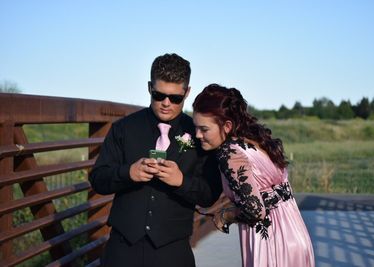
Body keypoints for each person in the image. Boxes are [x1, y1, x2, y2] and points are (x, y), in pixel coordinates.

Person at [89, 53, 222, 267]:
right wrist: (128, 173)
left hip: (174, 251)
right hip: (122, 248)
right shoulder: (124, 128)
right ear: (150, 87)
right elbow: (97, 179)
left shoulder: (199, 135)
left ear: (187, 92)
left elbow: (209, 195)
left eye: (175, 98)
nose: (166, 103)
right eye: (159, 95)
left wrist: (181, 181)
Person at [192, 84, 315, 267]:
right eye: (195, 128)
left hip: (271, 244)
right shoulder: (254, 139)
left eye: (204, 129)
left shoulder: (229, 153)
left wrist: (225, 216)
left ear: (227, 126)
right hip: (295, 234)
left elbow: (255, 210)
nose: (197, 135)